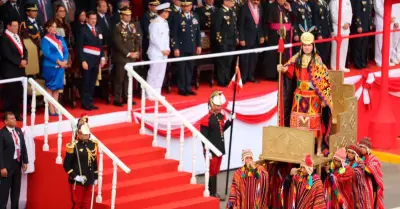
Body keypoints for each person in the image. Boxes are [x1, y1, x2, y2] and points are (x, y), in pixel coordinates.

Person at [277, 31, 332, 156]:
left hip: (313, 96)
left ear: (313, 46)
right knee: (297, 123)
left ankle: (318, 149)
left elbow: (324, 79)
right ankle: (298, 148)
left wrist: (324, 99)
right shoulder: (297, 57)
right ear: (301, 46)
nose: (307, 47)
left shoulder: (317, 60)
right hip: (299, 96)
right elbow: (290, 69)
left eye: (309, 45)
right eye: (305, 45)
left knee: (315, 124)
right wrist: (283, 68)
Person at [200, 91, 234, 198]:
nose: (219, 108)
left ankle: (213, 192)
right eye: (217, 105)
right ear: (212, 105)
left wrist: (229, 121)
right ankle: (211, 192)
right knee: (211, 171)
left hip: (219, 148)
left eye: (220, 106)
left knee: (215, 171)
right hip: (211, 150)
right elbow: (203, 138)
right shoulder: (206, 119)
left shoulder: (219, 116)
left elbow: (221, 130)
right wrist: (207, 150)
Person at [63, 116, 98, 209]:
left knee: (86, 203)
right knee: (78, 203)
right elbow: (66, 164)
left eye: (88, 134)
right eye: (85, 134)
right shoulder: (73, 146)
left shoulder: (92, 144)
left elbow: (94, 161)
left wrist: (95, 176)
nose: (87, 136)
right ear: (79, 134)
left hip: (89, 178)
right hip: (78, 181)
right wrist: (75, 176)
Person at [170, 0, 202, 96]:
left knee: (190, 68)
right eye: (184, 6)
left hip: (192, 47)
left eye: (188, 6)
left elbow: (197, 32)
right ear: (182, 7)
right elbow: (174, 34)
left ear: (191, 6)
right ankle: (182, 88)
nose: (186, 8)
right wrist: (175, 48)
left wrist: (199, 45)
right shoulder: (177, 17)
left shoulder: (195, 16)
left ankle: (188, 87)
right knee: (181, 68)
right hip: (181, 47)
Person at [76, 11, 106, 110]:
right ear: (87, 19)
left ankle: (90, 102)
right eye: (92, 19)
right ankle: (85, 103)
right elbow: (79, 47)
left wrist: (102, 57)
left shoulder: (98, 29)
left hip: (96, 60)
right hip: (87, 60)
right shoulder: (82, 30)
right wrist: (83, 60)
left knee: (93, 82)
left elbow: (101, 45)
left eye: (95, 19)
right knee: (86, 81)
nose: (94, 21)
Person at [112, 6, 140, 106]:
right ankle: (117, 98)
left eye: (129, 15)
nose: (128, 17)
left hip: (131, 57)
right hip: (122, 57)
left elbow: (136, 39)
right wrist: (128, 53)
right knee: (120, 78)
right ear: (121, 16)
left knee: (128, 79)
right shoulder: (117, 27)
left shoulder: (132, 26)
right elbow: (118, 43)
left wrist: (136, 51)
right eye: (126, 15)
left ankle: (127, 97)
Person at [0, 19, 28, 121]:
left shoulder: (18, 36)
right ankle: (8, 116)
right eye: (15, 26)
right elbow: (7, 54)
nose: (17, 28)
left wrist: (25, 60)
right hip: (10, 70)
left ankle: (16, 114)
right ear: (8, 27)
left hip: (20, 69)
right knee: (10, 93)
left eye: (17, 26)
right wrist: (19, 62)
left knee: (18, 92)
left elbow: (25, 50)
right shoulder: (4, 38)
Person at [0, 112, 29, 209]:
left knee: (16, 191)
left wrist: (25, 161)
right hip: (6, 167)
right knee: (4, 193)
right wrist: (2, 167)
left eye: (14, 118)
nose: (14, 120)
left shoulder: (19, 131)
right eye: (11, 118)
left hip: (17, 164)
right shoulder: (2, 134)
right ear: (6, 121)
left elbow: (23, 147)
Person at [41, 19, 69, 116]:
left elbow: (65, 51)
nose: (54, 28)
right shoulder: (45, 40)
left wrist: (65, 61)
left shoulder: (60, 38)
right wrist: (58, 61)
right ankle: (51, 109)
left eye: (55, 26)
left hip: (60, 66)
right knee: (50, 88)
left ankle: (56, 108)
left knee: (57, 88)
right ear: (47, 28)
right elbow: (47, 53)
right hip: (50, 66)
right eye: (52, 26)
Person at [146, 3, 171, 100]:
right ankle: (149, 93)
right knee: (153, 72)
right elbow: (153, 38)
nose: (168, 13)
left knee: (161, 73)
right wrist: (162, 49)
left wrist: (167, 48)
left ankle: (157, 92)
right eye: (167, 12)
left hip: (164, 52)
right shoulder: (154, 23)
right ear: (163, 12)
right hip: (156, 52)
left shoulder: (165, 22)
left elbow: (166, 38)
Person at [262, 0, 292, 81]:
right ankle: (272, 75)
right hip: (274, 35)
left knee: (284, 54)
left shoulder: (285, 7)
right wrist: (266, 34)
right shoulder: (272, 6)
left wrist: (289, 9)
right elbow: (266, 22)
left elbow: (292, 18)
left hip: (285, 34)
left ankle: (282, 72)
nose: (283, 1)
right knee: (274, 55)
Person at [238, 0, 264, 84]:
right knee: (245, 58)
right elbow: (240, 24)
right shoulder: (244, 8)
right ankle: (244, 77)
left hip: (256, 38)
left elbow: (260, 23)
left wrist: (261, 35)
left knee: (254, 58)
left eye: (258, 0)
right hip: (246, 38)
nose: (256, 2)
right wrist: (241, 38)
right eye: (255, 0)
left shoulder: (260, 8)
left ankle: (251, 76)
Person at [213, 0, 237, 87]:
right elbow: (217, 29)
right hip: (224, 41)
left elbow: (234, 27)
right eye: (230, 1)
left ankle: (227, 79)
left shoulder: (232, 11)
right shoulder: (219, 12)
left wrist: (236, 38)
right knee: (222, 62)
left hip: (231, 41)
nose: (232, 2)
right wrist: (220, 42)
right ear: (225, 1)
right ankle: (222, 80)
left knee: (229, 62)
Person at [358, 137, 384, 209]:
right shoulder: (360, 157)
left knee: (372, 205)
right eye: (360, 146)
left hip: (372, 188)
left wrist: (362, 164)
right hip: (362, 188)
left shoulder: (374, 159)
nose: (361, 149)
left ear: (368, 149)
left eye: (363, 147)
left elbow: (369, 172)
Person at [346, 144, 371, 209]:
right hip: (348, 191)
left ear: (356, 154)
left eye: (352, 153)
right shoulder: (346, 162)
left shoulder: (360, 163)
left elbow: (356, 173)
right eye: (348, 152)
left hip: (358, 191)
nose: (350, 154)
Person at [330, 0, 352, 72]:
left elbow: (350, 13)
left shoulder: (347, 0)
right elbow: (333, 15)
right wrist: (342, 24)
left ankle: (342, 65)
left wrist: (348, 23)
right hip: (337, 28)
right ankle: (334, 66)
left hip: (346, 28)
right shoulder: (333, 1)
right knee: (336, 49)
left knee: (344, 48)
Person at [350, 0, 373, 69]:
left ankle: (363, 62)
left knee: (364, 46)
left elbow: (369, 12)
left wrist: (370, 23)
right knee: (358, 45)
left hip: (366, 25)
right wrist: (358, 25)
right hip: (360, 26)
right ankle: (357, 63)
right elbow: (356, 12)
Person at [310, 0, 332, 66]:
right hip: (321, 31)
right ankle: (319, 69)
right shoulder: (315, 4)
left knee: (326, 51)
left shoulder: (325, 3)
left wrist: (330, 30)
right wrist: (318, 33)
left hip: (327, 31)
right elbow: (315, 19)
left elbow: (328, 17)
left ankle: (324, 68)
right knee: (320, 52)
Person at [374, 0, 395, 67]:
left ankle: (387, 60)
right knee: (380, 41)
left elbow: (394, 6)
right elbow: (378, 8)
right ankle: (379, 60)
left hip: (390, 19)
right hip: (381, 19)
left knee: (389, 40)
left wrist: (392, 17)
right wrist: (387, 15)